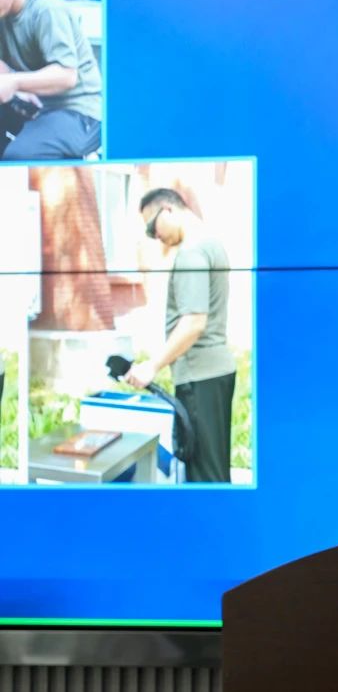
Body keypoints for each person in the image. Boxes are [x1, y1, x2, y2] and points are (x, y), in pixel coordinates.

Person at [126, 188, 236, 483]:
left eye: (152, 226)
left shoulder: (192, 252)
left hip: (199, 376)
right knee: (215, 471)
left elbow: (193, 323)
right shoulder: (211, 243)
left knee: (205, 477)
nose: (154, 236)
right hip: (215, 373)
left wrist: (151, 366)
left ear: (169, 210)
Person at [0, 0, 103, 161]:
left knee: (19, 155)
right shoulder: (3, 15)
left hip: (80, 111)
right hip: (39, 106)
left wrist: (16, 82)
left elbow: (67, 76)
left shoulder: (46, 10)